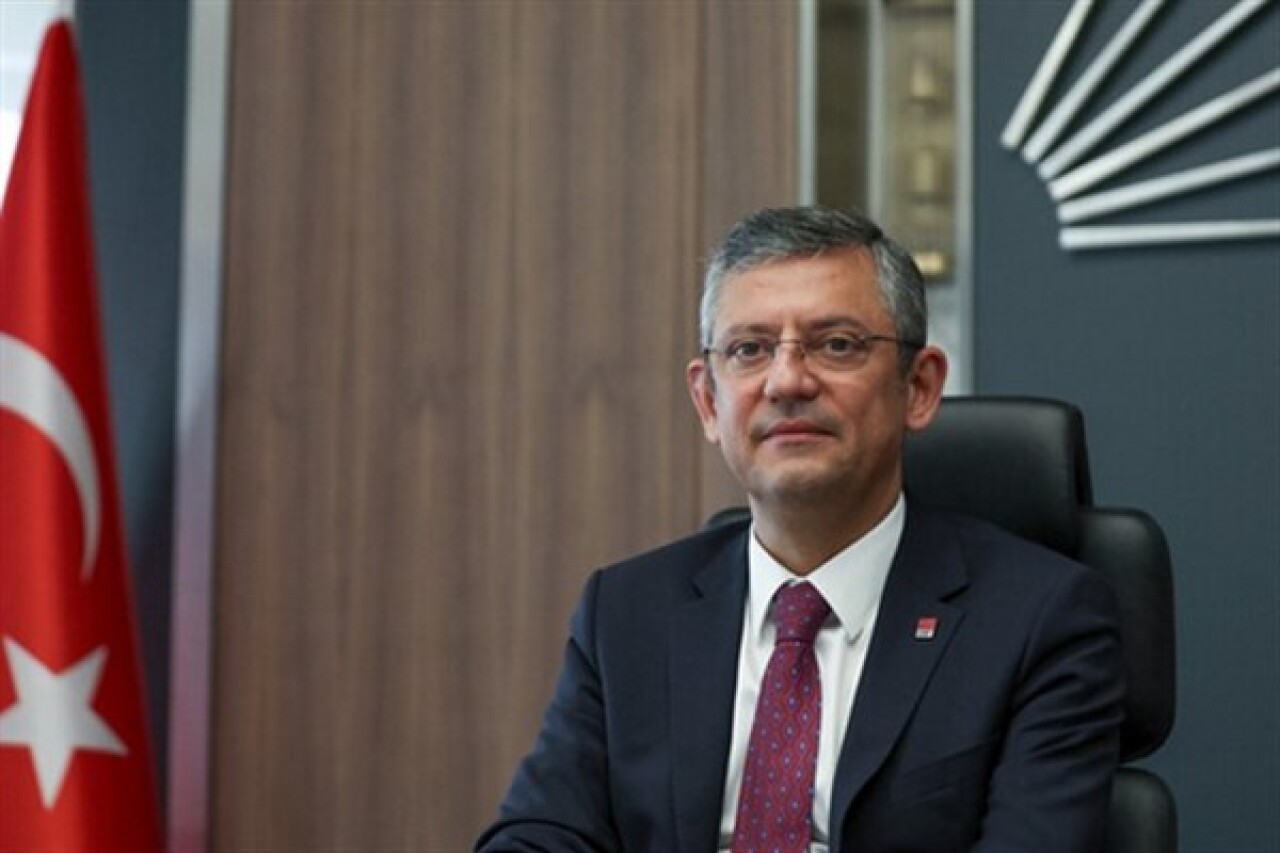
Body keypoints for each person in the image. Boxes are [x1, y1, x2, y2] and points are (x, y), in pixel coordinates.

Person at [476, 206, 1124, 852]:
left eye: (836, 344)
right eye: (749, 349)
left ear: (919, 387)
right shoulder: (628, 614)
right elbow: (536, 835)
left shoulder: (1038, 620)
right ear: (708, 401)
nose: (787, 381)